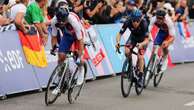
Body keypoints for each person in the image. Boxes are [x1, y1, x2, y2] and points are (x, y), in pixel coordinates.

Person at [50, 2, 86, 86]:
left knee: (77, 56)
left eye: (64, 21)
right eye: (60, 21)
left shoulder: (73, 20)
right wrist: (54, 47)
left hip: (78, 35)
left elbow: (80, 40)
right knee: (61, 56)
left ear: (67, 17)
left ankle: (81, 69)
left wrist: (80, 54)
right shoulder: (54, 21)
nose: (62, 23)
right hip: (68, 34)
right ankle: (60, 78)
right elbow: (54, 36)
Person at [116, 9, 150, 86]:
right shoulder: (128, 21)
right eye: (133, 20)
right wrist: (117, 42)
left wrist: (141, 44)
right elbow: (119, 34)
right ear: (131, 19)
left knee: (140, 56)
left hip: (143, 40)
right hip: (133, 38)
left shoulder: (144, 24)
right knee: (127, 51)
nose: (135, 23)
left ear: (140, 19)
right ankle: (130, 68)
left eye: (137, 21)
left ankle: (141, 77)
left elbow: (147, 40)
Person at [148, 9, 175, 73]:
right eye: (157, 18)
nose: (158, 20)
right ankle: (153, 62)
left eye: (160, 18)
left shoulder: (169, 22)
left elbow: (173, 37)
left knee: (164, 45)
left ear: (164, 18)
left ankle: (164, 60)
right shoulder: (153, 19)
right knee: (155, 46)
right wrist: (148, 36)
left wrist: (167, 42)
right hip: (162, 32)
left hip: (169, 34)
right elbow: (148, 30)